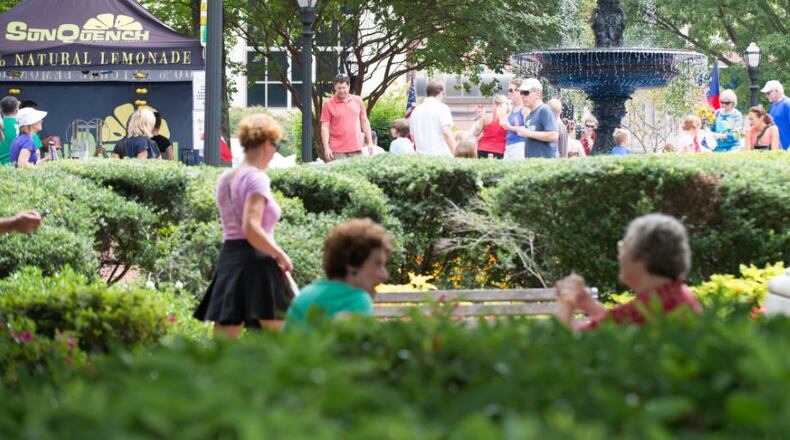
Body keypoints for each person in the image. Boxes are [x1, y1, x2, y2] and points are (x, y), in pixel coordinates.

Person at [195, 114, 294, 338]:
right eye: (274, 144)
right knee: (283, 339)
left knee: (223, 343)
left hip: (230, 258)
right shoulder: (256, 178)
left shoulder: (225, 179)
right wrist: (280, 254)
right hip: (257, 260)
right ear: (265, 143)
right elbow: (251, 228)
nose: (274, 151)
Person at [554, 213, 702, 330]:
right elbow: (619, 330)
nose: (619, 255)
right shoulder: (674, 296)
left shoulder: (649, 308)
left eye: (623, 247)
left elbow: (562, 348)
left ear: (642, 256)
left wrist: (566, 299)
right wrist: (589, 305)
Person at [285, 218, 393, 331]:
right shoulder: (357, 299)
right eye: (377, 264)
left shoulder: (305, 294)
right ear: (352, 265)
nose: (384, 275)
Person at [320, 73, 374, 162]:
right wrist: (326, 147)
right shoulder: (328, 104)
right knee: (342, 175)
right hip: (337, 149)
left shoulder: (358, 100)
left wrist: (370, 142)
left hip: (356, 147)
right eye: (339, 88)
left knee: (357, 174)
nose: (341, 91)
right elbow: (324, 126)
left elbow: (364, 121)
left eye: (344, 88)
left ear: (349, 86)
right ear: (334, 88)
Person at [410, 79, 456, 156]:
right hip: (440, 158)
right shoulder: (442, 108)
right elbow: (446, 133)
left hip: (420, 158)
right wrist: (457, 153)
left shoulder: (415, 111)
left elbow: (413, 137)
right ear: (440, 93)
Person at [516, 78, 559, 158]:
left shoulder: (544, 110)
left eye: (526, 92)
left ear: (538, 94)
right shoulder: (529, 115)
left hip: (545, 165)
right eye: (521, 93)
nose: (522, 96)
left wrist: (528, 133)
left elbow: (554, 135)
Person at [502, 78, 529, 160]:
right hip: (509, 145)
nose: (509, 93)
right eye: (508, 90)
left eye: (511, 90)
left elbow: (528, 129)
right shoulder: (512, 108)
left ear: (519, 91)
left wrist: (510, 127)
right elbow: (504, 125)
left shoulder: (525, 108)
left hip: (520, 145)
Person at [762, 80, 790, 150]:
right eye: (765, 93)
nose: (766, 95)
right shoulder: (772, 106)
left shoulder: (787, 104)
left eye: (768, 93)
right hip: (775, 147)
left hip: (786, 147)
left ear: (777, 91)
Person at [0, 96, 19, 165]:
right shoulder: (25, 125)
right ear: (17, 109)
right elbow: (36, 151)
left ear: (1, 110)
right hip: (21, 169)